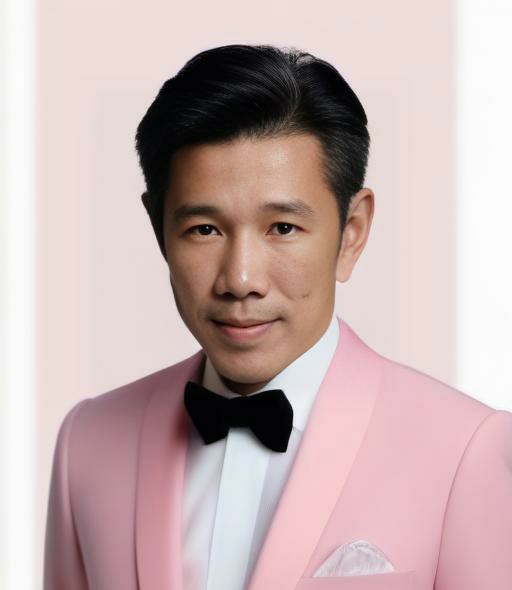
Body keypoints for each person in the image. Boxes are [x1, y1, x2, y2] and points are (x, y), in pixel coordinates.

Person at [43, 43, 512, 590]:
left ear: (352, 232)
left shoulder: (467, 450)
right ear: (158, 229)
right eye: (204, 229)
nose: (241, 279)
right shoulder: (87, 443)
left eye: (283, 228)